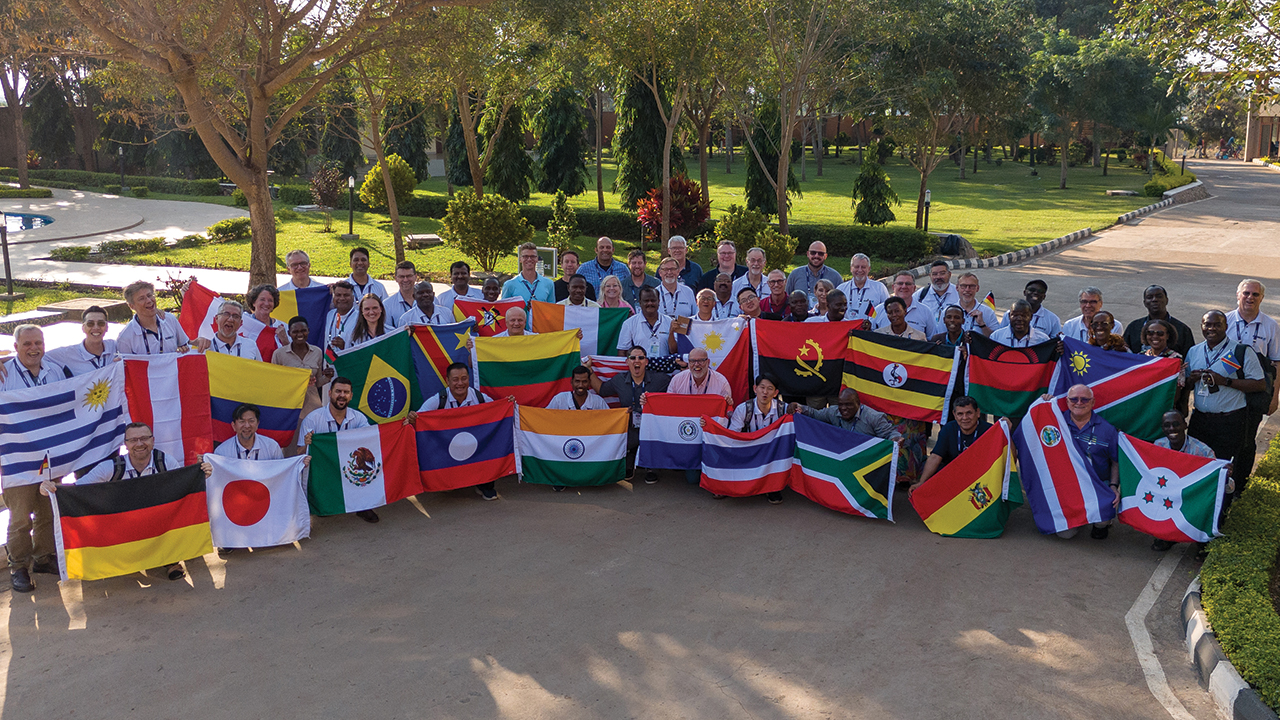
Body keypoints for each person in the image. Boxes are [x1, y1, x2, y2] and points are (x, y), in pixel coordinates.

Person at [58, 422, 210, 581]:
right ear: (126, 444)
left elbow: (183, 490)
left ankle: (171, 561)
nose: (139, 444)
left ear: (152, 441)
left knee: (176, 514)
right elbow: (78, 488)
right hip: (122, 526)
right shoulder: (110, 468)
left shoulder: (165, 462)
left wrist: (201, 475)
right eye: (133, 440)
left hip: (157, 521)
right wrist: (54, 489)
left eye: (144, 438)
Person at [1, 326, 70, 592]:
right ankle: (18, 566)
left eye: (38, 343)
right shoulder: (4, 374)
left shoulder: (54, 370)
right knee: (20, 518)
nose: (34, 348)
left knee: (47, 511)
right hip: (17, 459)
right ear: (16, 347)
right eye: (27, 343)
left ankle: (43, 558)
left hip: (50, 456)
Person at [1186, 310, 1265, 494]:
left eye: (1217, 324)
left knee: (1224, 468)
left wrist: (1226, 381)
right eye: (1207, 324)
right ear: (1202, 327)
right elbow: (1187, 385)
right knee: (1197, 464)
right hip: (1200, 420)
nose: (1211, 328)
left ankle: (1223, 510)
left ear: (1226, 327)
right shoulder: (1194, 351)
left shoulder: (1240, 351)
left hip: (1229, 421)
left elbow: (1259, 384)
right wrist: (1192, 379)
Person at [414, 362, 503, 500]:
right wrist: (412, 418)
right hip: (448, 446)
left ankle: (486, 485)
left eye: (464, 378)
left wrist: (507, 404)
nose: (460, 383)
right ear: (447, 381)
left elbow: (498, 411)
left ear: (469, 379)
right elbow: (419, 418)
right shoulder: (438, 400)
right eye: (455, 379)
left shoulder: (480, 398)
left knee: (490, 446)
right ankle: (448, 481)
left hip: (475, 444)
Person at [298, 377, 378, 521]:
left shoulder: (358, 418)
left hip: (350, 464)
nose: (342, 395)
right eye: (338, 391)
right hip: (326, 468)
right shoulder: (312, 419)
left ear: (351, 396)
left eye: (346, 392)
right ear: (329, 393)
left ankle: (363, 506)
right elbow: (300, 454)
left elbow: (371, 443)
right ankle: (324, 504)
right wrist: (306, 444)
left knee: (365, 466)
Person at [1225, 278, 1280, 486]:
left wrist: (1274, 397)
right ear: (1238, 295)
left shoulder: (1270, 326)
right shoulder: (1225, 321)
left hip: (1256, 392)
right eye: (1246, 293)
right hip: (1228, 389)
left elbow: (1277, 363)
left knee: (1248, 441)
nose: (1250, 298)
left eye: (1255, 294)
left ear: (1262, 298)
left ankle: (1240, 485)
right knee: (1227, 436)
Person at [589, 346, 671, 483]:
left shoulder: (661, 380)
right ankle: (630, 456)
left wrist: (683, 368)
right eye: (632, 358)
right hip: (629, 427)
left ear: (646, 362)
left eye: (640, 358)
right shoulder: (619, 380)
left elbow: (676, 389)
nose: (636, 361)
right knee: (626, 437)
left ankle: (651, 467)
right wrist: (589, 370)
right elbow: (602, 390)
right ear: (627, 362)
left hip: (651, 428)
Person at [1150, 410, 1230, 551]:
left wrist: (1225, 474)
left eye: (1176, 424)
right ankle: (1167, 536)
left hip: (1193, 498)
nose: (1172, 429)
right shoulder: (1157, 446)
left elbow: (1218, 484)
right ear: (1162, 429)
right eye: (1167, 425)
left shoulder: (1202, 451)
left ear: (1185, 425)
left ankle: (1201, 540)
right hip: (1169, 496)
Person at [1058, 384, 1121, 539]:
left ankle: (1101, 522)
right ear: (1067, 401)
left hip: (1098, 485)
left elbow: (1116, 461)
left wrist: (1113, 487)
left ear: (1092, 403)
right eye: (1074, 399)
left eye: (1085, 399)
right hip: (1067, 485)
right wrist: (1043, 401)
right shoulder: (1055, 423)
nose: (1079, 402)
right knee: (1065, 535)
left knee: (1102, 522)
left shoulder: (1107, 430)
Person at [711, 374, 787, 503]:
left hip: (771, 454)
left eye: (770, 388)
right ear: (754, 389)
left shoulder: (784, 409)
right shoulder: (743, 409)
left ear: (775, 393)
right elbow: (732, 437)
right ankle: (724, 485)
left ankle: (772, 487)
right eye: (762, 387)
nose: (765, 392)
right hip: (747, 449)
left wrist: (799, 409)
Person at [911, 396, 992, 492]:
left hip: (981, 476)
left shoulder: (990, 431)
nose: (965, 418)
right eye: (960, 414)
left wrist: (1005, 432)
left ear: (978, 413)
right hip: (954, 475)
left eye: (969, 413)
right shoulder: (948, 429)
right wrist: (922, 482)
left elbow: (1007, 456)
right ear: (954, 414)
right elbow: (935, 456)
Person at [117, 280, 208, 355]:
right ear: (132, 306)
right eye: (142, 298)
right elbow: (125, 369)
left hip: (171, 376)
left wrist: (198, 342)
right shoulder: (125, 337)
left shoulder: (169, 319)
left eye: (149, 295)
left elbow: (186, 345)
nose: (149, 301)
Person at [272, 315, 330, 427]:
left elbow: (317, 382)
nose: (300, 334)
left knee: (312, 440)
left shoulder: (317, 352)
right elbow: (275, 385)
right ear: (289, 333)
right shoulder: (279, 354)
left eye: (303, 330)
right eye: (295, 331)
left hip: (312, 407)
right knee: (292, 443)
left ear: (308, 331)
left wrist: (327, 377)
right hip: (290, 408)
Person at [788, 388, 901, 440]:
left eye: (849, 405)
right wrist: (799, 406)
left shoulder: (873, 417)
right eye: (841, 404)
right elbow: (814, 414)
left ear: (858, 404)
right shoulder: (834, 411)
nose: (843, 409)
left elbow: (890, 434)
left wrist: (896, 439)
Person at [1123, 285, 1194, 357]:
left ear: (1166, 300)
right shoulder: (1133, 328)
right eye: (1149, 297)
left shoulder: (1183, 330)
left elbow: (1189, 358)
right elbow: (1124, 355)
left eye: (1159, 296)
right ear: (1144, 303)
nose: (1154, 300)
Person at [44, 306, 117, 376]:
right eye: (90, 324)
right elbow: (41, 358)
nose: (96, 327)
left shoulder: (115, 346)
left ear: (107, 327)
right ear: (83, 328)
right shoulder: (68, 354)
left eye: (101, 323)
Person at [616, 286, 676, 357]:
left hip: (664, 366)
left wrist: (671, 332)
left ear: (659, 302)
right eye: (646, 301)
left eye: (653, 300)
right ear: (640, 302)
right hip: (639, 366)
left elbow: (674, 351)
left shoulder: (669, 322)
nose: (650, 303)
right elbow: (622, 352)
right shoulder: (629, 323)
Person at [214, 403, 285, 460]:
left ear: (257, 424)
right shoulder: (222, 452)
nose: (247, 426)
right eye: (242, 421)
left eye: (251, 421)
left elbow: (281, 474)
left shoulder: (272, 447)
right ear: (234, 426)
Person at [873, 272, 935, 337]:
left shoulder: (926, 312)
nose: (904, 286)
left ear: (914, 288)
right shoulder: (878, 310)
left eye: (908, 284)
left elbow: (931, 339)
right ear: (893, 287)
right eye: (900, 283)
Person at [785, 241, 842, 305]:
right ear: (808, 254)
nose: (816, 256)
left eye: (820, 253)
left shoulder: (835, 277)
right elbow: (787, 299)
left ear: (825, 256)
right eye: (813, 253)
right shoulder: (795, 274)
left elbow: (840, 301)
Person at [501, 242, 556, 307]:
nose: (529, 259)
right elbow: (504, 311)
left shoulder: (549, 284)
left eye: (533, 256)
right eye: (525, 256)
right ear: (520, 259)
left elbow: (552, 309)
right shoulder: (509, 285)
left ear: (537, 259)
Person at [667, 348, 733, 401]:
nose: (696, 364)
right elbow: (669, 403)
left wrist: (728, 403)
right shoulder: (677, 380)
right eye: (692, 361)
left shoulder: (721, 382)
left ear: (708, 362)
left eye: (701, 361)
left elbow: (726, 413)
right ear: (689, 363)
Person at [838, 254, 890, 321]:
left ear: (869, 269)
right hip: (847, 329)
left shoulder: (879, 288)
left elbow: (886, 311)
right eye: (856, 267)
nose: (860, 270)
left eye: (863, 267)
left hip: (870, 330)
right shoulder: (841, 289)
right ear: (851, 268)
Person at [246, 284, 289, 351]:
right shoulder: (244, 323)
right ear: (254, 302)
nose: (266, 303)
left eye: (270, 300)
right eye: (262, 299)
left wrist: (284, 340)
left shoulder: (283, 327)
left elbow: (292, 356)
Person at [916, 260, 960, 324]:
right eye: (934, 274)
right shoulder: (920, 295)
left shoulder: (959, 293)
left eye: (942, 273)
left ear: (949, 274)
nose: (938, 277)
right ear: (930, 276)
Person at [954, 272, 996, 336]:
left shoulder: (988, 313)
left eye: (972, 286)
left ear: (977, 288)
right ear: (957, 287)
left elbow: (996, 340)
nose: (967, 289)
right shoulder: (948, 311)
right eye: (963, 286)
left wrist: (982, 325)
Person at [324, 280, 357, 351]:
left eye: (346, 295)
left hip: (348, 360)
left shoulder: (359, 318)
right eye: (338, 295)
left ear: (353, 298)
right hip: (328, 361)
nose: (342, 298)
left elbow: (363, 346)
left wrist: (345, 346)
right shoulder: (329, 315)